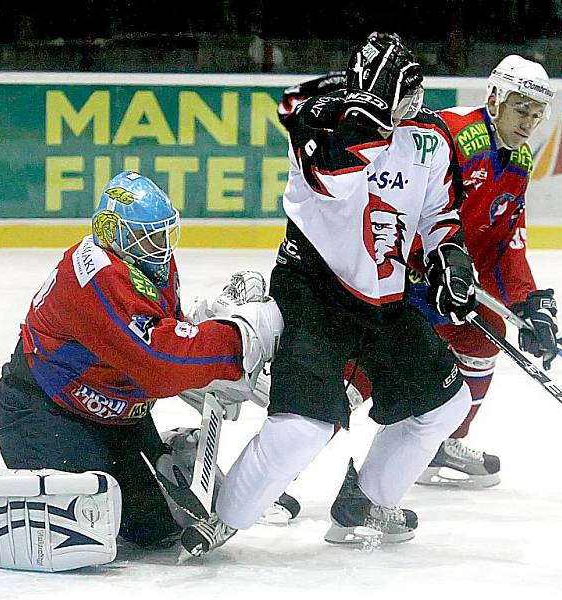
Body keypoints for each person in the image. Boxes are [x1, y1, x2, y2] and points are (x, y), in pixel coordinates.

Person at [179, 32, 475, 557]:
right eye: (397, 96)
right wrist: (375, 110)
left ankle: (364, 502)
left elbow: (438, 213)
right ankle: (226, 517)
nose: (412, 105)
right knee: (302, 431)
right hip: (313, 292)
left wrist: (449, 255)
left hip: (385, 301)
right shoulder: (314, 112)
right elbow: (335, 177)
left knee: (447, 404)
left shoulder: (432, 137)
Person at [277, 55, 559, 489]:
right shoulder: (452, 135)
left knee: (485, 335)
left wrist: (527, 301)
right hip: (394, 283)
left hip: (443, 286)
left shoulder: (518, 159)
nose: (528, 121)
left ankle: (441, 444)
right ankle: (277, 475)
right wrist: (417, 273)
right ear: (495, 98)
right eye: (521, 108)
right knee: (352, 386)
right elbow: (402, 206)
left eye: (537, 114)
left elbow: (503, 238)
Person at [0, 171, 283, 550]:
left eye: (165, 234)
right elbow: (156, 362)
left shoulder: (149, 264)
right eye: (151, 237)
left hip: (120, 418)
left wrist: (200, 340)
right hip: (46, 413)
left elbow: (163, 330)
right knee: (92, 522)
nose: (162, 246)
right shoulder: (94, 277)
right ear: (113, 234)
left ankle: (168, 449)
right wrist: (235, 342)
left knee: (155, 530)